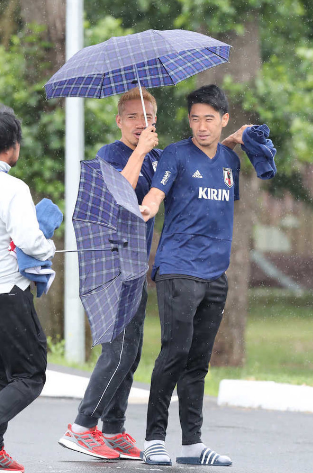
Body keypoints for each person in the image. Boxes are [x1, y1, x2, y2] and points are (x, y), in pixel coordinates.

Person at [140, 84, 257, 467]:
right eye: (195, 119)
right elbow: (159, 191)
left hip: (215, 273)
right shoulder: (173, 154)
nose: (201, 126)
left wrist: (237, 141)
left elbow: (213, 168)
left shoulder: (229, 160)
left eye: (210, 119)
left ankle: (191, 444)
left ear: (224, 120)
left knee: (198, 361)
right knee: (174, 352)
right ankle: (154, 439)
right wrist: (148, 205)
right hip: (178, 268)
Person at [59, 87, 160, 460]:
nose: (140, 122)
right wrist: (140, 151)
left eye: (147, 115)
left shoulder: (157, 157)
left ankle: (114, 428)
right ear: (119, 121)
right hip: (112, 264)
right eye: (132, 116)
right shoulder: (110, 155)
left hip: (138, 266)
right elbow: (119, 195)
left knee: (132, 353)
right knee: (117, 351)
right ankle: (82, 426)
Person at [0, 109, 56, 473]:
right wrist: (48, 248)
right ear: (14, 147)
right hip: (8, 294)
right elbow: (28, 239)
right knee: (30, 374)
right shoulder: (14, 188)